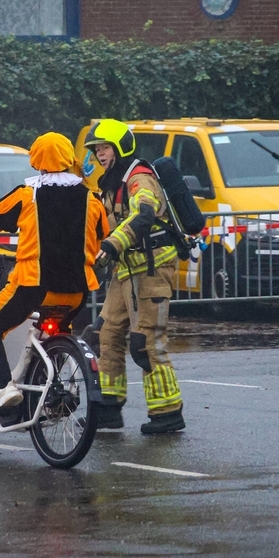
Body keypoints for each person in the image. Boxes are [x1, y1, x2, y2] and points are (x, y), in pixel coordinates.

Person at [0, 132, 108, 420]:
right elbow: (102, 234)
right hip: (77, 291)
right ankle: (50, 392)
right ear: (68, 159)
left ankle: (4, 388)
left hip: (33, 285)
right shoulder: (91, 199)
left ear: (37, 160)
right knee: (53, 336)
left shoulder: (27, 194)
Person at [83, 119, 186, 434]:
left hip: (152, 270)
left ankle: (168, 413)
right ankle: (109, 409)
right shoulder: (112, 183)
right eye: (96, 149)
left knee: (145, 342)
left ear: (119, 147)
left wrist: (113, 244)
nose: (100, 154)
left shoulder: (139, 178)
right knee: (104, 335)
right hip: (127, 271)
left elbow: (144, 215)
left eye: (104, 148)